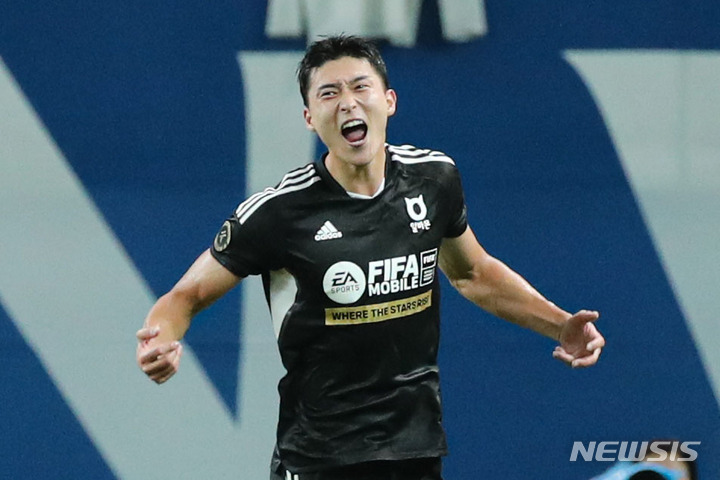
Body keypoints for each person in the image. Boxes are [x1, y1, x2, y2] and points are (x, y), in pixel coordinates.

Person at [136, 34, 605, 480]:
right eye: (329, 93)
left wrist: (559, 324)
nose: (348, 103)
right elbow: (186, 295)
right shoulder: (278, 212)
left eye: (360, 87)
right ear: (309, 118)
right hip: (320, 456)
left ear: (389, 101)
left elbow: (473, 273)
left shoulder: (434, 179)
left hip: (415, 448)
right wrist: (161, 338)